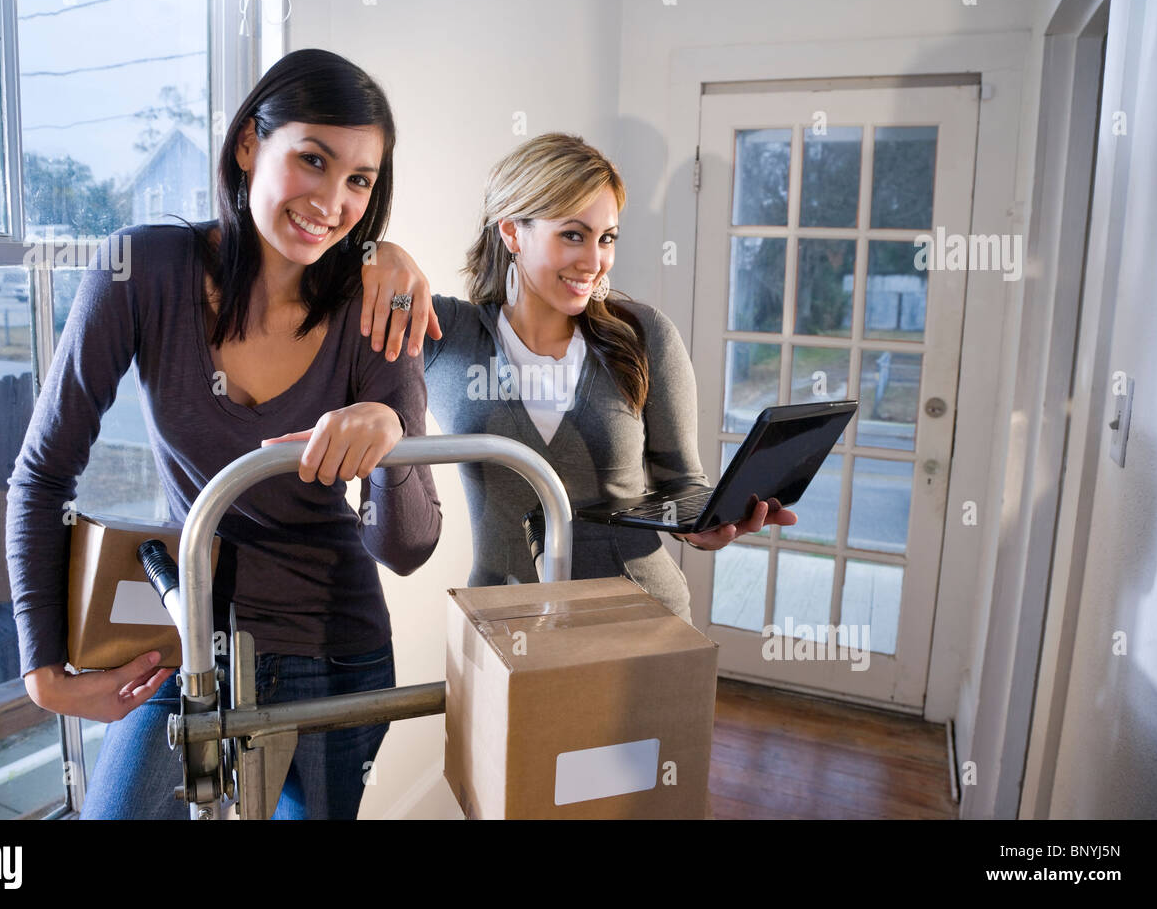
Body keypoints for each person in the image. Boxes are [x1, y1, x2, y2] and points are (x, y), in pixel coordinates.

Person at [5, 49, 441, 820]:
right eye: (313, 159)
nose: (333, 201)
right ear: (248, 144)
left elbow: (405, 548)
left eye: (360, 181)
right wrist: (42, 667)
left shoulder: (378, 307)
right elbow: (44, 474)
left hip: (335, 648)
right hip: (187, 634)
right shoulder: (139, 272)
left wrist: (393, 435)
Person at [283, 133, 795, 622]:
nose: (594, 261)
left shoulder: (645, 335)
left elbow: (683, 484)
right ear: (512, 231)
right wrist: (383, 252)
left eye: (607, 238)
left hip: (642, 615)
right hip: (504, 617)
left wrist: (706, 526)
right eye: (572, 234)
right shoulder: (443, 334)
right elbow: (311, 267)